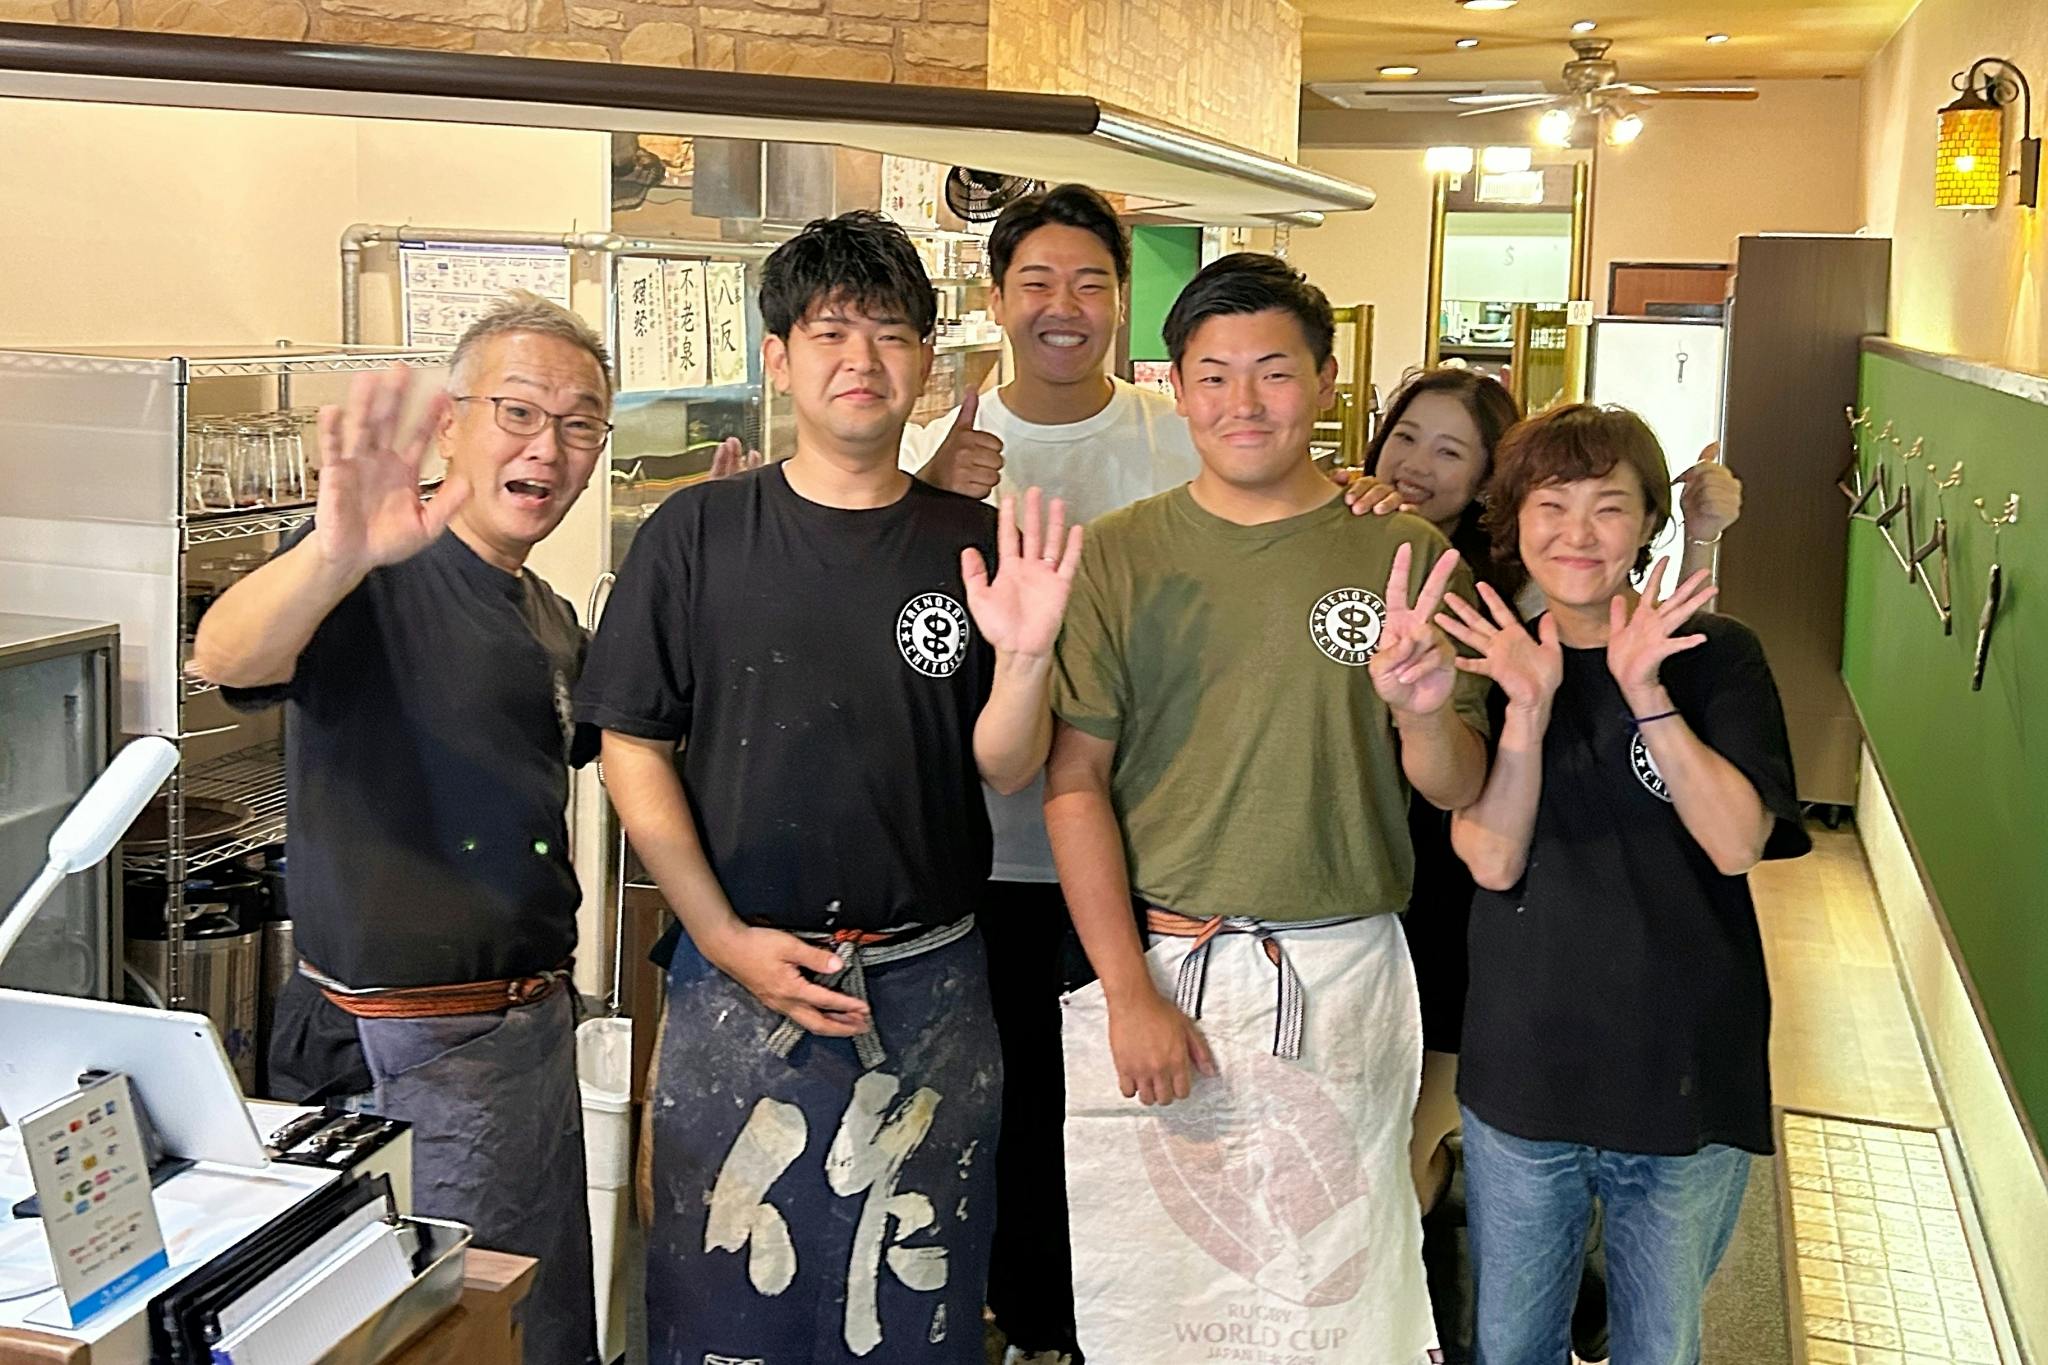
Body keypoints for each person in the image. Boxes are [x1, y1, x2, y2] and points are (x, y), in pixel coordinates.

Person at [575, 210, 1080, 1365]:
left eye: (890, 333)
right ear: (778, 357)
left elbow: (1005, 763)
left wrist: (1026, 658)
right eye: (829, 332)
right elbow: (630, 746)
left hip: (929, 977)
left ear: (926, 361)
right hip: (735, 976)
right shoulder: (696, 533)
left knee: (913, 1311)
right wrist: (721, 935)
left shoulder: (971, 541)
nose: (861, 359)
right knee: (723, 1312)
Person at [1045, 253, 1491, 1364]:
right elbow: (1073, 782)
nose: (1243, 403)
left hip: (1342, 969)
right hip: (1165, 965)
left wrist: (1422, 714)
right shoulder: (1120, 555)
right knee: (1167, 1297)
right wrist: (1127, 994)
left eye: (1274, 372)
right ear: (1178, 388)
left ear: (1327, 383)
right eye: (1213, 376)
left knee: (1331, 1289)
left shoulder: (1404, 551)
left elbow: (1458, 784)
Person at [191, 293, 613, 1365]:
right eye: (519, 412)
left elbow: (606, 739)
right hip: (406, 1039)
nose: (548, 448)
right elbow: (226, 654)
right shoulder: (370, 568)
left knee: (521, 1324)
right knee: (441, 1336)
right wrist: (335, 552)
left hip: (518, 1036)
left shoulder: (545, 615)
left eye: (579, 425)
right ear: (451, 425)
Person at [1346, 369, 1744, 1362]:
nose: (1418, 464)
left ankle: (1560, 1295)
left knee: (1461, 1157)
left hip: (1487, 917)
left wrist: (1699, 542)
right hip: (1400, 898)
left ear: (1488, 480)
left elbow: (1657, 644)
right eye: (1406, 437)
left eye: (1452, 450)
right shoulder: (1373, 549)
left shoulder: (1516, 606)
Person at [899, 182, 1201, 1365]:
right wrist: (932, 499)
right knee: (1004, 1106)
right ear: (994, 300)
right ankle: (1025, 1324)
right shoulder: (935, 452)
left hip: (1145, 844)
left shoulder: (1179, 437)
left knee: (1136, 1107)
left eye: (1089, 282)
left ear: (1122, 299)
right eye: (1035, 282)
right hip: (982, 852)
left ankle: (1114, 1326)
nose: (1062, 306)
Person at [1437, 403, 1808, 1365]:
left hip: (1682, 1067)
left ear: (1648, 522)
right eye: (1551, 505)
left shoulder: (1717, 655)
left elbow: (1735, 843)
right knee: (1511, 1345)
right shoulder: (1494, 659)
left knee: (1659, 1347)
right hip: (1525, 1067)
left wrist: (1647, 694)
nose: (1578, 532)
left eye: (1608, 506)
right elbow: (1492, 859)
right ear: (1515, 518)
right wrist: (1528, 710)